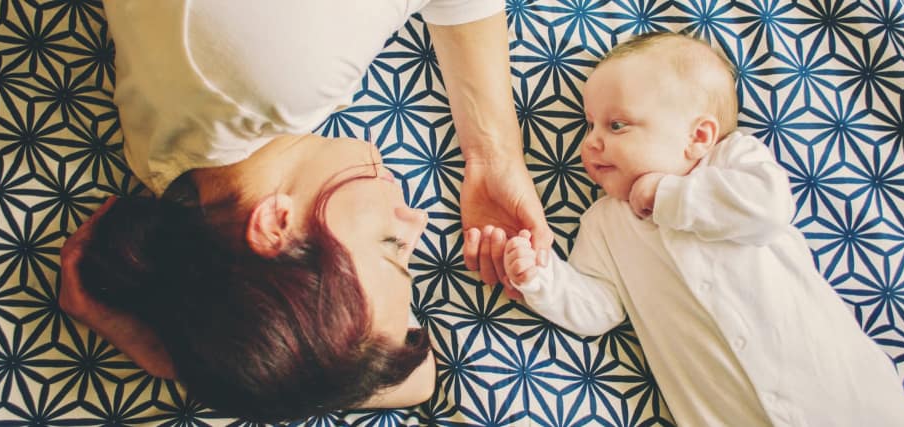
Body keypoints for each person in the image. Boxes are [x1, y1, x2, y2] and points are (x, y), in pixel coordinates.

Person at [58, 0, 552, 423]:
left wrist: (497, 150)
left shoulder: (289, 73)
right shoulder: (174, 175)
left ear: (275, 224)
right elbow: (418, 380)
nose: (416, 222)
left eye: (390, 245)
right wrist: (178, 360)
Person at [487, 32, 904, 426]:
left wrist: (667, 195)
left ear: (698, 137)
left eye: (616, 125)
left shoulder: (733, 162)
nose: (591, 142)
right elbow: (599, 309)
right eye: (590, 125)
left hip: (847, 398)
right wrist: (540, 277)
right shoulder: (604, 222)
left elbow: (769, 208)